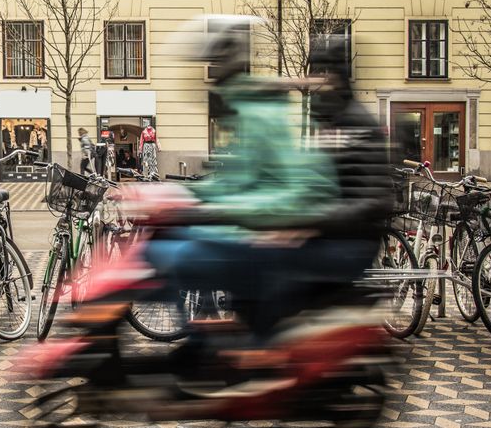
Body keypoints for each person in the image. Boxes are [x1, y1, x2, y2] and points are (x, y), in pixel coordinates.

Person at [132, 18, 389, 349]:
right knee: (182, 251)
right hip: (316, 228)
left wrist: (308, 221)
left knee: (193, 258)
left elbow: (353, 196)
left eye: (322, 73)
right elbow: (245, 181)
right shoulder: (321, 119)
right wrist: (182, 196)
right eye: (314, 72)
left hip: (344, 241)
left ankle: (249, 349)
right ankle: (228, 343)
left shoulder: (351, 123)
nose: (313, 81)